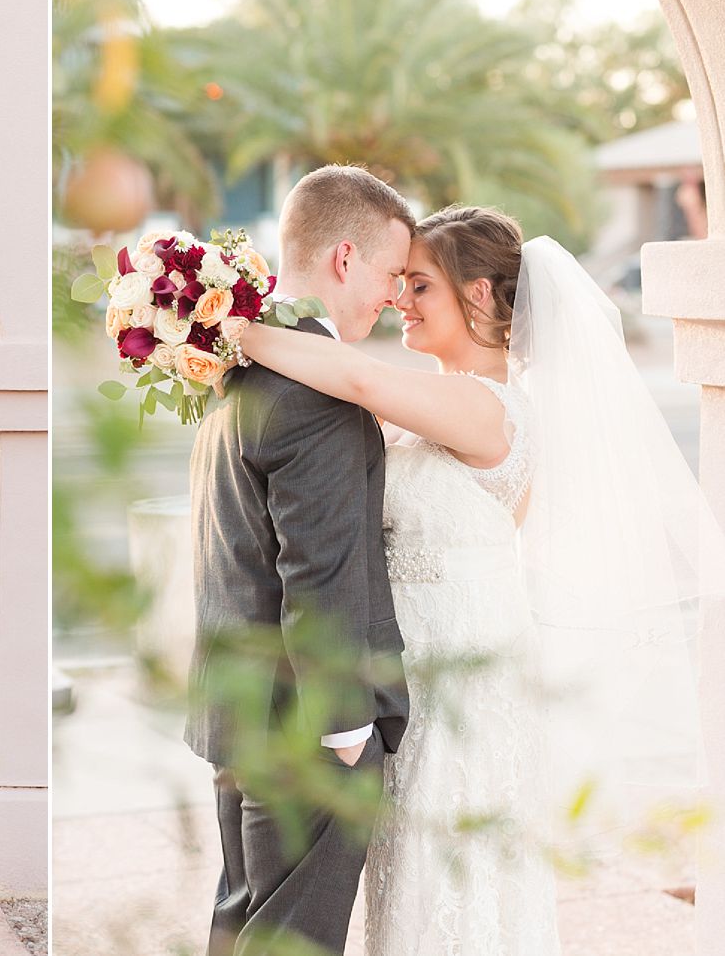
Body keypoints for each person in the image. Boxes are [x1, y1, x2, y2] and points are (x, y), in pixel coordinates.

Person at [233, 203, 724, 953]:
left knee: (449, 880)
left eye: (420, 284)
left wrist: (217, 331)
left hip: (462, 679)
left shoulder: (486, 406)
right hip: (421, 668)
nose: (399, 298)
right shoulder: (435, 401)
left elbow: (358, 378)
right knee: (412, 878)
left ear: (482, 297)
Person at [184, 165, 413, 956]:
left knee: (245, 921)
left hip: (238, 708)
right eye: (391, 272)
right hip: (305, 728)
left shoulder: (237, 373)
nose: (394, 294)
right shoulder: (316, 393)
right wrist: (346, 725)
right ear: (346, 259)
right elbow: (317, 566)